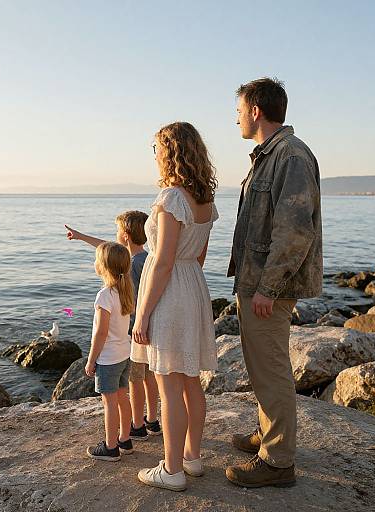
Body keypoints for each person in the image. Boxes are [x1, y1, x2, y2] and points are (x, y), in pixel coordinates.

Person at [226, 77, 323, 488]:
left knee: (272, 369)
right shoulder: (270, 155)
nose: (235, 120)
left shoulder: (291, 156)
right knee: (261, 365)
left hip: (270, 286)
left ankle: (278, 460)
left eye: (237, 111)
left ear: (255, 110)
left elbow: (294, 230)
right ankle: (269, 434)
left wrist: (268, 287)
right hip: (256, 282)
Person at [131, 121, 219, 491]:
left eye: (156, 149)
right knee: (191, 381)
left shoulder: (170, 198)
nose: (154, 156)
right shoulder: (204, 200)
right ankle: (192, 459)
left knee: (168, 386)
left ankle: (172, 470)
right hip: (193, 287)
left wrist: (145, 312)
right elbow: (197, 257)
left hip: (168, 290)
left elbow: (163, 260)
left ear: (169, 151)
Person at [65, 212, 162, 439]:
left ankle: (137, 425)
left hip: (135, 331)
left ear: (125, 236)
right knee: (148, 377)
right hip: (147, 327)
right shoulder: (144, 258)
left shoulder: (132, 265)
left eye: (117, 231)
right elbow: (108, 250)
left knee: (135, 380)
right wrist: (81, 237)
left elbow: (109, 253)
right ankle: (152, 419)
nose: (115, 236)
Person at [85, 242, 135, 461]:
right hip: (125, 354)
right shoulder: (123, 290)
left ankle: (110, 446)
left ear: (103, 267)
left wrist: (90, 360)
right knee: (123, 397)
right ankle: (125, 438)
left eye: (97, 259)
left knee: (110, 403)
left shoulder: (104, 295)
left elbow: (101, 333)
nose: (94, 263)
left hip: (108, 359)